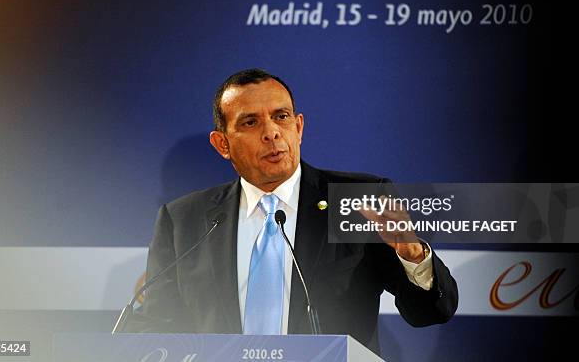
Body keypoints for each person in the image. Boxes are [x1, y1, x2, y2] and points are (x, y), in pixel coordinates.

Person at [142, 69, 458, 353]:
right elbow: (159, 327)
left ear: (299, 127)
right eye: (251, 122)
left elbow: (429, 313)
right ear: (222, 144)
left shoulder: (357, 200)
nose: (271, 133)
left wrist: (414, 255)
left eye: (281, 117)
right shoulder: (183, 220)